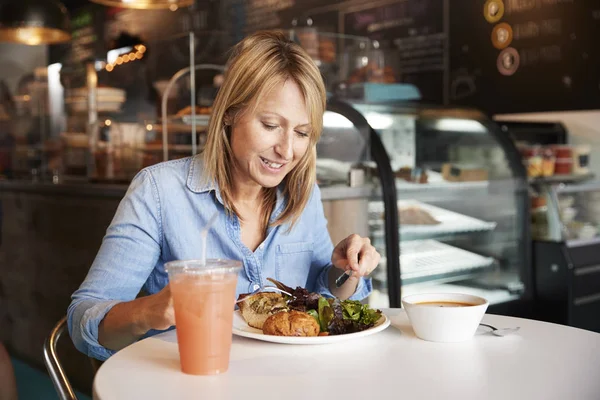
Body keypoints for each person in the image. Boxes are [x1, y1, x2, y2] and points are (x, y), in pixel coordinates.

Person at [68, 30, 380, 361]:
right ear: (230, 112)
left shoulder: (304, 195)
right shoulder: (160, 192)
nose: (286, 151)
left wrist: (346, 270)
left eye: (302, 133)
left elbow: (321, 295)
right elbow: (82, 320)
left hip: (289, 380)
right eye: (271, 125)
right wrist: (149, 311)